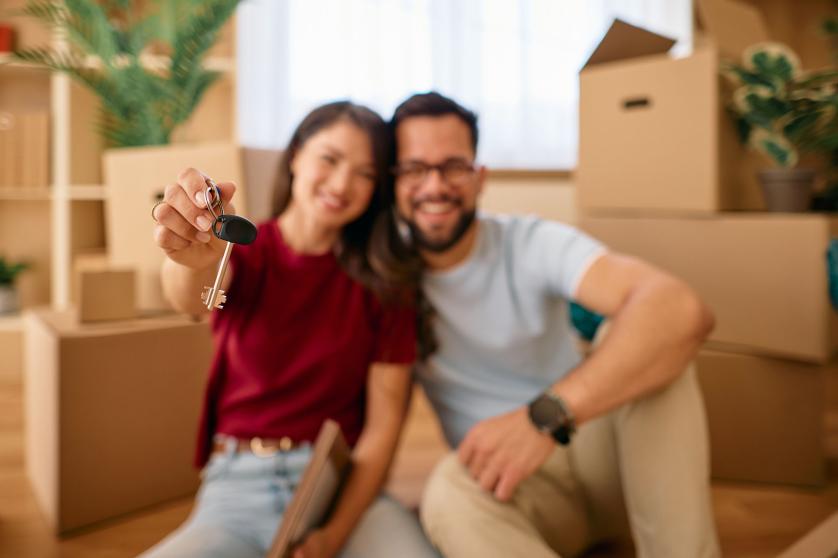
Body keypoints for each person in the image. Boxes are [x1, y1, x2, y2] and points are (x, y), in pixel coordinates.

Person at [389, 92, 721, 558]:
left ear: (480, 178)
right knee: (445, 492)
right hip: (516, 490)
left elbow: (681, 309)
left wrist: (544, 419)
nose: (435, 186)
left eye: (454, 166)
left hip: (603, 459)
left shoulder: (528, 242)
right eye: (414, 169)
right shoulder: (385, 275)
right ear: (392, 181)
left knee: (651, 343)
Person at [143, 101, 437, 558]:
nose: (342, 184)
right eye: (330, 159)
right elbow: (191, 296)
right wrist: (189, 258)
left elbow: (383, 430)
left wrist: (332, 536)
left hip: (340, 490)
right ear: (296, 154)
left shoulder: (387, 284)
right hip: (236, 489)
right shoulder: (247, 254)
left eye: (365, 173)